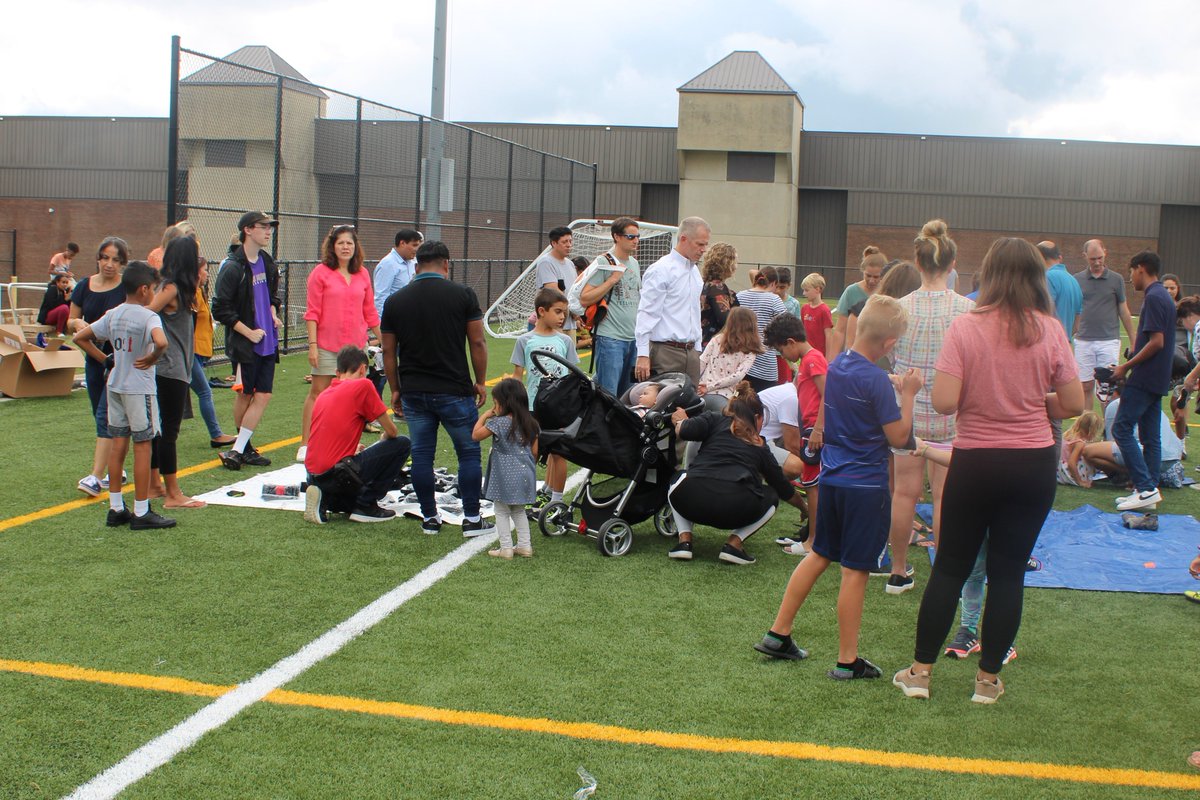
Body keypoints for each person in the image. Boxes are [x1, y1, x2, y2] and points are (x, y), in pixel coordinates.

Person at [893, 237, 1081, 705]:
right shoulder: (1050, 329)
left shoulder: (967, 326)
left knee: (951, 568)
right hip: (1032, 462)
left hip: (976, 460)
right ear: (1038, 277)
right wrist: (1033, 398)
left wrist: (989, 394)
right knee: (1009, 572)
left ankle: (920, 673)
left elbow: (944, 402)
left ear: (988, 276)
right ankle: (987, 681)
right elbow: (1074, 404)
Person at [754, 295, 920, 678]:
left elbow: (854, 395)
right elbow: (898, 436)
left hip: (832, 480)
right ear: (890, 344)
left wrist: (888, 383)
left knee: (819, 554)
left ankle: (779, 633)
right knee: (855, 570)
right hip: (866, 487)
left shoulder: (837, 365)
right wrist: (907, 395)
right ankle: (847, 660)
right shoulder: (875, 378)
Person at [885, 220, 974, 595]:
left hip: (906, 410)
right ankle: (943, 573)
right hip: (951, 412)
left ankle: (899, 571)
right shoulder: (968, 310)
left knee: (904, 493)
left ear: (918, 264)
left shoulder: (899, 308)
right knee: (942, 496)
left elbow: (887, 355)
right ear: (952, 265)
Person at [381, 240, 492, 537]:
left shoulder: (395, 301)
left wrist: (395, 388)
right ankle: (471, 518)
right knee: (468, 453)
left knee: (421, 456)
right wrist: (480, 381)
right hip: (454, 388)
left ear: (416, 267)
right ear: (446, 264)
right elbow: (477, 342)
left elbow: (388, 352)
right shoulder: (463, 295)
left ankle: (429, 518)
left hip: (414, 390)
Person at [73, 262, 175, 530]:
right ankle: (142, 511)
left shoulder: (114, 314)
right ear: (144, 289)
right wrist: (152, 357)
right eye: (152, 289)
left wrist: (107, 360)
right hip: (139, 388)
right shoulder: (149, 316)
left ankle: (116, 507)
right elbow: (161, 342)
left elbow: (81, 338)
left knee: (118, 444)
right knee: (143, 446)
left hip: (115, 386)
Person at [667, 382, 807, 565]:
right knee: (771, 495)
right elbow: (783, 489)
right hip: (733, 509)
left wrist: (680, 420)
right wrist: (805, 508)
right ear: (757, 417)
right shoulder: (760, 444)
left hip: (692, 500)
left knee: (678, 477)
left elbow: (683, 430)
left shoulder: (713, 419)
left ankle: (684, 541)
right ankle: (734, 544)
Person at [298, 225, 381, 462]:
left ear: (356, 248)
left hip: (356, 347)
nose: (345, 247)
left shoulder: (363, 274)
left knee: (352, 399)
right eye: (341, 243)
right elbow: (312, 312)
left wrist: (385, 339)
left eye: (350, 243)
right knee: (318, 392)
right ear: (332, 247)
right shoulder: (320, 273)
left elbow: (370, 312)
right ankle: (306, 443)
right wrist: (312, 345)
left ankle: (348, 443)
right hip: (326, 344)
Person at [302, 345, 411, 524]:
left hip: (313, 474)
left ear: (337, 372)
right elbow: (392, 431)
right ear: (362, 369)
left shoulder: (324, 393)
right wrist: (383, 439)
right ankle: (366, 504)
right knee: (403, 443)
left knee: (348, 490)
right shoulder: (363, 385)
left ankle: (327, 498)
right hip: (336, 474)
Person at [212, 211, 282, 471]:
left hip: (268, 340)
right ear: (248, 230)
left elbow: (273, 296)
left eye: (269, 227)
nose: (268, 231)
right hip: (246, 344)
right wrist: (248, 332)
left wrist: (273, 313)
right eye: (264, 227)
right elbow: (220, 309)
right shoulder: (232, 267)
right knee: (246, 394)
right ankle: (243, 448)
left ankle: (239, 449)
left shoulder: (267, 261)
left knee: (262, 395)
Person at [1109, 251, 1175, 511]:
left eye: (1131, 271)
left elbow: (1156, 342)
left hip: (1145, 377)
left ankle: (1145, 488)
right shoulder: (1164, 297)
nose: (1130, 277)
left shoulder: (1154, 297)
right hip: (1158, 377)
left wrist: (1126, 366)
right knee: (1150, 437)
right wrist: (1133, 355)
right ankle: (1149, 492)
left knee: (1122, 429)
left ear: (1141, 269)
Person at [146, 236, 206, 510]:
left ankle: (154, 485)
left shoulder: (180, 287)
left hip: (175, 366)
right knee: (169, 431)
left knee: (161, 430)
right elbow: (146, 314)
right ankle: (172, 494)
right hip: (168, 368)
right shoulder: (170, 288)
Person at [69, 237, 129, 497]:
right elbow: (71, 318)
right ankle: (116, 466)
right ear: (97, 258)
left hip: (118, 359)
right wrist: (78, 325)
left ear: (123, 263)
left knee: (107, 413)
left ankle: (97, 475)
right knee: (99, 412)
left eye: (116, 260)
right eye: (105, 257)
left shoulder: (126, 288)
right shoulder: (84, 285)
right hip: (93, 357)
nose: (109, 264)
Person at [763, 313, 826, 547]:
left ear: (791, 342)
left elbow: (828, 394)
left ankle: (813, 541)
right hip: (809, 428)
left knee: (812, 485)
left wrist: (818, 429)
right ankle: (812, 535)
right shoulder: (808, 361)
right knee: (812, 483)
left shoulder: (812, 359)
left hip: (815, 431)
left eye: (781, 350)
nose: (782, 356)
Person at [510, 287, 577, 508]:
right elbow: (518, 377)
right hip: (532, 405)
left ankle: (556, 501)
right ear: (541, 311)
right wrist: (515, 407)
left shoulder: (565, 341)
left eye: (564, 313)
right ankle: (532, 494)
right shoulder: (524, 340)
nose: (562, 317)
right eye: (558, 312)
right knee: (533, 451)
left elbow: (572, 376)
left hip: (559, 407)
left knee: (558, 452)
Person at [634, 216, 710, 385]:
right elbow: (647, 313)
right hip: (665, 352)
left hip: (690, 352)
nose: (704, 249)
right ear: (683, 239)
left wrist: (697, 350)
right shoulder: (661, 270)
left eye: (706, 244)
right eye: (700, 244)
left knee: (689, 408)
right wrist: (643, 354)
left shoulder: (695, 273)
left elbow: (695, 313)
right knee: (661, 405)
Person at [473, 378, 539, 558]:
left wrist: (486, 415)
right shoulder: (531, 423)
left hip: (504, 473)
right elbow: (534, 452)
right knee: (518, 509)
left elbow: (476, 435)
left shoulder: (499, 422)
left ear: (504, 403)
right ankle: (525, 546)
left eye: (495, 404)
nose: (494, 408)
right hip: (526, 472)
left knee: (501, 511)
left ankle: (506, 548)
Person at [578, 217, 641, 397]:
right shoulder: (604, 261)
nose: (635, 240)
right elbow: (585, 298)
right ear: (617, 236)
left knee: (629, 395)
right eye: (630, 236)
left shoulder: (634, 263)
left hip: (632, 338)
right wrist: (612, 280)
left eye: (637, 237)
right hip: (610, 338)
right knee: (608, 396)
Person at [1074, 239, 1136, 411]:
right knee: (1085, 386)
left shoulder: (1116, 280)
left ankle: (1107, 427)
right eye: (1093, 259)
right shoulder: (1076, 279)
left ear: (1105, 253)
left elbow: (1124, 310)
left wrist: (1133, 340)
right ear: (1084, 256)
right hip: (1083, 340)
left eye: (1100, 258)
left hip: (1108, 340)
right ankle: (1087, 429)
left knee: (1106, 387)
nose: (1097, 262)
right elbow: (1074, 310)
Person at [736, 266, 787, 393]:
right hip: (765, 363)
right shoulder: (774, 300)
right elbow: (786, 326)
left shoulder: (739, 296)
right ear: (774, 283)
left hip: (739, 361)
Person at [829, 246, 885, 356]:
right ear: (862, 271)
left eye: (876, 277)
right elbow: (840, 330)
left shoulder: (886, 292)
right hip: (853, 353)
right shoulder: (851, 291)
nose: (872, 280)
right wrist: (831, 361)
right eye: (868, 275)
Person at [698, 306, 761, 400]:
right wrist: (709, 387)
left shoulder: (717, 339)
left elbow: (701, 363)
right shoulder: (750, 350)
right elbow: (737, 376)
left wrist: (698, 386)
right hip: (725, 396)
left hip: (701, 392)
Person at [1036, 241, 1082, 344]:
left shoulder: (1046, 278)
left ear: (1039, 258)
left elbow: (1045, 313)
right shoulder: (1074, 281)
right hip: (1065, 346)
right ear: (1059, 257)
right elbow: (1077, 325)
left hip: (1048, 344)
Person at [373, 228, 422, 319]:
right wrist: (384, 324)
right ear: (402, 243)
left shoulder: (412, 262)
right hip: (394, 320)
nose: (416, 249)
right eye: (414, 245)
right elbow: (381, 297)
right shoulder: (388, 264)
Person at [698, 242, 740, 348]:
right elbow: (726, 321)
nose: (736, 266)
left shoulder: (704, 284)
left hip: (702, 341)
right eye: (735, 262)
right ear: (727, 263)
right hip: (714, 346)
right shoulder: (718, 288)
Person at [1056, 411, 1104, 487]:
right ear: (1091, 430)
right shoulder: (1079, 443)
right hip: (1068, 472)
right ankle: (1083, 478)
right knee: (1092, 456)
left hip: (1058, 472)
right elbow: (1071, 463)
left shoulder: (1067, 435)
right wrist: (1080, 482)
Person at [799, 272, 832, 359]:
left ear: (817, 289)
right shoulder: (804, 308)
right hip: (806, 354)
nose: (804, 293)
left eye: (806, 290)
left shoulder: (824, 310)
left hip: (819, 355)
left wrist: (828, 358)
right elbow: (802, 332)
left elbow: (828, 336)